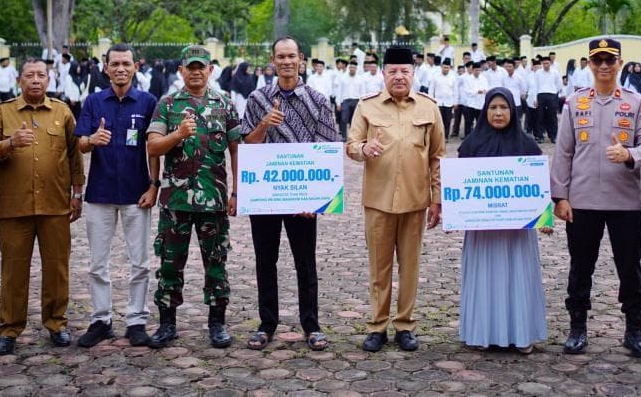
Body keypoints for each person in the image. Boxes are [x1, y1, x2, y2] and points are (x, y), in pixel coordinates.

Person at [550, 38, 641, 358]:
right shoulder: (574, 103)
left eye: (611, 60)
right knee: (581, 267)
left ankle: (634, 330)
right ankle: (577, 327)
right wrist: (560, 197)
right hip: (582, 202)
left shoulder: (638, 104)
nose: (605, 66)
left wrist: (629, 153)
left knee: (630, 267)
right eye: (598, 60)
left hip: (624, 202)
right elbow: (563, 152)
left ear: (620, 63)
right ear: (590, 64)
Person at [240, 36, 340, 351]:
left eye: (291, 56)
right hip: (266, 194)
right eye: (280, 56)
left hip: (303, 195)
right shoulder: (257, 100)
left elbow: (328, 149)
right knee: (265, 260)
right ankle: (266, 324)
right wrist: (263, 126)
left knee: (305, 262)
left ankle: (311, 325)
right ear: (273, 61)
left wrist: (318, 201)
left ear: (301, 60)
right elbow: (247, 145)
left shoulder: (318, 100)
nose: (285, 62)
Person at [346, 46, 445, 352]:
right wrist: (364, 150)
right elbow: (351, 144)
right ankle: (377, 326)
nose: (399, 76)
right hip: (378, 201)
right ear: (383, 74)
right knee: (380, 267)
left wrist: (436, 198)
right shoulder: (367, 107)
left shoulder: (429, 108)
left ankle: (405, 325)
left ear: (413, 73)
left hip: (416, 201)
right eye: (393, 71)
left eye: (405, 71)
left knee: (410, 267)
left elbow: (437, 156)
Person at [0, 58, 84, 355]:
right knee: (13, 270)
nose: (36, 80)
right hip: (15, 206)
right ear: (19, 80)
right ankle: (10, 328)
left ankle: (56, 323)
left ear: (49, 80)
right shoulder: (3, 112)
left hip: (55, 206)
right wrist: (9, 143)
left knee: (57, 268)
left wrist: (77, 192)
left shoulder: (62, 112)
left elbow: (75, 154)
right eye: (30, 75)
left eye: (41, 75)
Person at [145, 46, 239, 350]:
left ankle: (217, 323)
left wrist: (237, 191)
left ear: (210, 69)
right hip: (176, 202)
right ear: (181, 71)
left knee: (216, 263)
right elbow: (153, 147)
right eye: (190, 67)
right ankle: (167, 323)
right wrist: (178, 135)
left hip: (214, 200)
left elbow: (237, 149)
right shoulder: (168, 105)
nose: (195, 71)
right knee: (170, 264)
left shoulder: (224, 104)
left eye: (201, 67)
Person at [73, 44, 159, 348]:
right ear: (105, 68)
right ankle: (101, 319)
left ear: (135, 67)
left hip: (137, 192)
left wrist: (154, 185)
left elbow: (155, 147)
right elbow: (80, 144)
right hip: (101, 191)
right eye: (115, 64)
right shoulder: (94, 102)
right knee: (98, 262)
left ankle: (136, 320)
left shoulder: (148, 102)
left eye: (126, 63)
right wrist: (92, 140)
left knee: (140, 262)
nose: (120, 69)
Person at [458, 88, 549, 353]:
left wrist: (543, 217)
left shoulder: (528, 146)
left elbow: (537, 189)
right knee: (484, 277)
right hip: (482, 232)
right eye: (493, 108)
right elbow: (459, 189)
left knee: (517, 277)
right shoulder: (470, 146)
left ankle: (521, 335)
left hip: (517, 233)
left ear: (514, 111)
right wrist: (456, 214)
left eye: (504, 108)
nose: (498, 113)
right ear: (485, 112)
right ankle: (482, 334)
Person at [530, 55, 562, 143]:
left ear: (550, 63)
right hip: (541, 95)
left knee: (552, 116)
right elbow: (535, 86)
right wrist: (535, 98)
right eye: (544, 63)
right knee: (540, 116)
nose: (546, 65)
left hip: (552, 95)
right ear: (541, 64)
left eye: (547, 63)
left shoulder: (555, 72)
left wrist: (555, 93)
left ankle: (553, 136)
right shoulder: (538, 73)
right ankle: (540, 136)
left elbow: (559, 85)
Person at [429, 58, 458, 141]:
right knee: (438, 121)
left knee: (447, 120)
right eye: (444, 67)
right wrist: (431, 100)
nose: (446, 69)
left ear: (450, 68)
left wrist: (455, 102)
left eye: (447, 67)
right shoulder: (435, 76)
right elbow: (431, 89)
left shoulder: (453, 77)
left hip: (449, 103)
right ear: (441, 67)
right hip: (438, 102)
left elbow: (455, 90)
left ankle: (445, 136)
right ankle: (438, 136)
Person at [336, 61, 365, 139]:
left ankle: (354, 137)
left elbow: (363, 92)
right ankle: (344, 137)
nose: (352, 69)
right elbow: (339, 91)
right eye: (351, 67)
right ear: (349, 68)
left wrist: (363, 103)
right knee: (343, 119)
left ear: (356, 69)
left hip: (356, 101)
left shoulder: (360, 79)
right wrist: (338, 103)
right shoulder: (343, 78)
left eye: (354, 68)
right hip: (345, 101)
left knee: (355, 120)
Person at [461, 61, 488, 138]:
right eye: (476, 70)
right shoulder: (468, 79)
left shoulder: (483, 78)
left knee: (480, 122)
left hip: (480, 104)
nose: (477, 72)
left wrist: (484, 91)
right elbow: (467, 91)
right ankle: (468, 137)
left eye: (479, 70)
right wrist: (477, 91)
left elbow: (486, 88)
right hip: (470, 104)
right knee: (469, 122)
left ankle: (480, 137)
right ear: (472, 70)